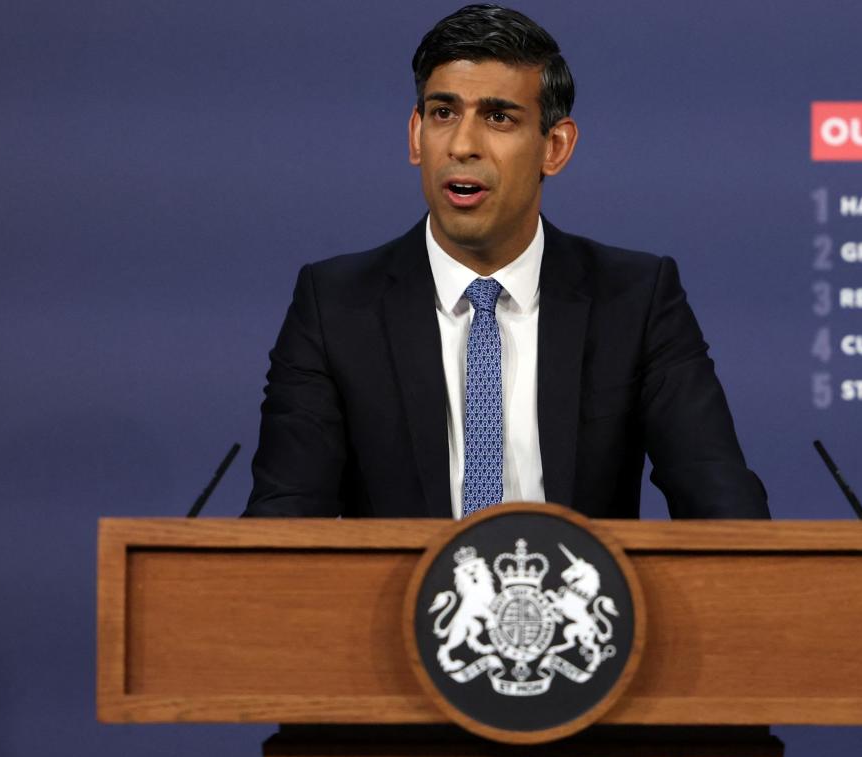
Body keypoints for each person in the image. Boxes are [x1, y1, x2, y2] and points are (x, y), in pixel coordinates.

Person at [245, 4, 769, 520]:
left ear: (555, 147)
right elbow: (285, 530)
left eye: (498, 117)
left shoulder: (636, 298)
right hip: (402, 606)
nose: (463, 144)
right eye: (443, 113)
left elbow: (723, 510)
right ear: (415, 135)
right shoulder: (335, 306)